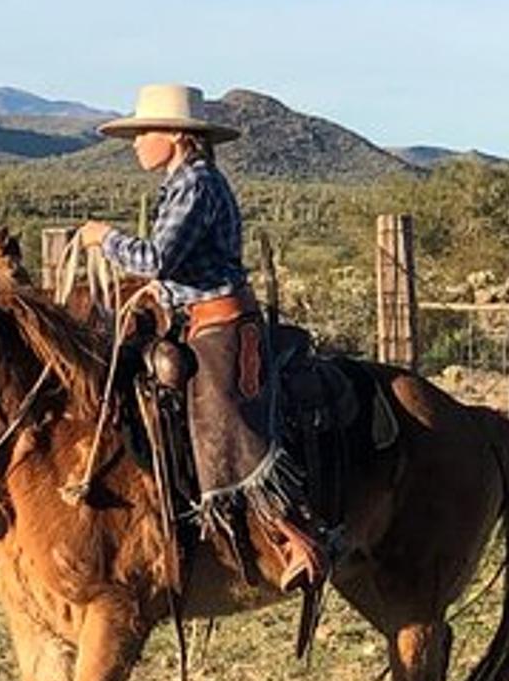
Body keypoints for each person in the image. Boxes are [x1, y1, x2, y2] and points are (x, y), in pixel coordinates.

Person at [76, 83, 328, 592]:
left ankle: (295, 531)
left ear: (174, 135)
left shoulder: (196, 184)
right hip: (192, 317)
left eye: (143, 132)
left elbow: (157, 259)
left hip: (222, 322)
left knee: (222, 413)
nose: (136, 143)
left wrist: (105, 237)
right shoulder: (183, 182)